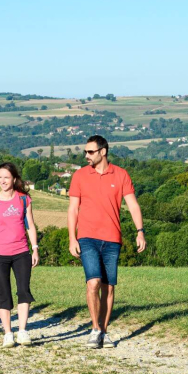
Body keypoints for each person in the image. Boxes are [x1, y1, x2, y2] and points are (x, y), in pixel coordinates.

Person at [68, 135, 146, 349]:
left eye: (90, 152)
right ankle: (94, 329)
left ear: (103, 152)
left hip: (112, 238)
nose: (86, 155)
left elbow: (133, 205)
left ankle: (103, 331)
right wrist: (72, 237)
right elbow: (73, 209)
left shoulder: (121, 175)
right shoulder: (79, 176)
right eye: (85, 152)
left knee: (108, 288)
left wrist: (140, 231)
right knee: (93, 282)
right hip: (87, 237)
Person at [0, 162, 39, 348]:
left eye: (6, 177)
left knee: (24, 290)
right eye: (0, 177)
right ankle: (8, 333)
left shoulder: (24, 200)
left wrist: (35, 248)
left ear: (14, 179)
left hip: (21, 252)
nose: (2, 181)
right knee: (3, 294)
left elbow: (30, 225)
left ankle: (22, 331)